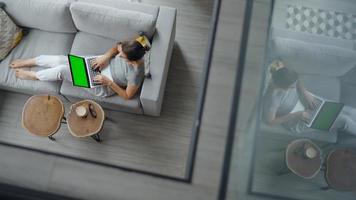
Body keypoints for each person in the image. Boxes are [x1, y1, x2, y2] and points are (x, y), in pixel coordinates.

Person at [9, 35, 150, 100]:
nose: (119, 56)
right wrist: (105, 57)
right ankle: (32, 61)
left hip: (104, 83)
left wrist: (108, 82)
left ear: (132, 61)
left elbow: (127, 96)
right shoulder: (135, 46)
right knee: (61, 60)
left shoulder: (136, 73)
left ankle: (33, 76)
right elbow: (116, 48)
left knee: (62, 70)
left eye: (123, 57)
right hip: (99, 63)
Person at [263, 60, 356, 135]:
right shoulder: (272, 99)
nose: (295, 86)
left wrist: (305, 93)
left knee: (348, 111)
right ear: (283, 87)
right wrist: (296, 115)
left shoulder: (280, 69)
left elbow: (297, 80)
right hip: (298, 117)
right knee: (345, 121)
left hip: (304, 100)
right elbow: (270, 122)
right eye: (292, 86)